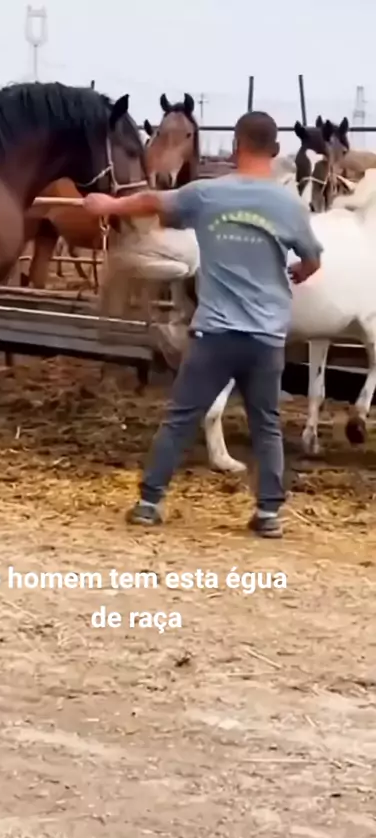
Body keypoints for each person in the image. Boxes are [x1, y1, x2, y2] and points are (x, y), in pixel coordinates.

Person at [83, 111, 323, 538]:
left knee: (181, 418)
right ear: (274, 150)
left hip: (215, 334)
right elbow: (312, 259)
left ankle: (149, 503)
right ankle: (269, 513)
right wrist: (301, 271)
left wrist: (108, 204)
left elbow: (152, 202)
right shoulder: (289, 206)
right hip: (266, 337)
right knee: (266, 424)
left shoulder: (207, 194)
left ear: (235, 146)